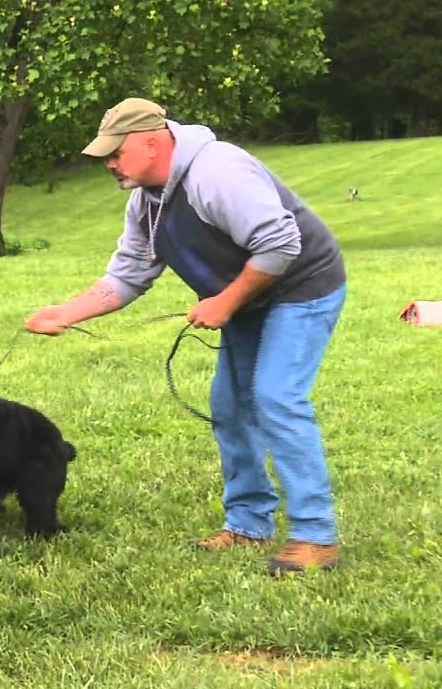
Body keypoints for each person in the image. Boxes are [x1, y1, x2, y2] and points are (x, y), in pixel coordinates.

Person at [24, 98, 348, 577]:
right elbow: (130, 273)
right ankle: (248, 524)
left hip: (302, 288)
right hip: (250, 299)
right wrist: (66, 312)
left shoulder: (216, 174)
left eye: (117, 153)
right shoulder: (146, 203)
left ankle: (316, 536)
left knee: (277, 398)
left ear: (152, 141)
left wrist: (225, 301)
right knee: (230, 406)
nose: (109, 164)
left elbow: (281, 243)